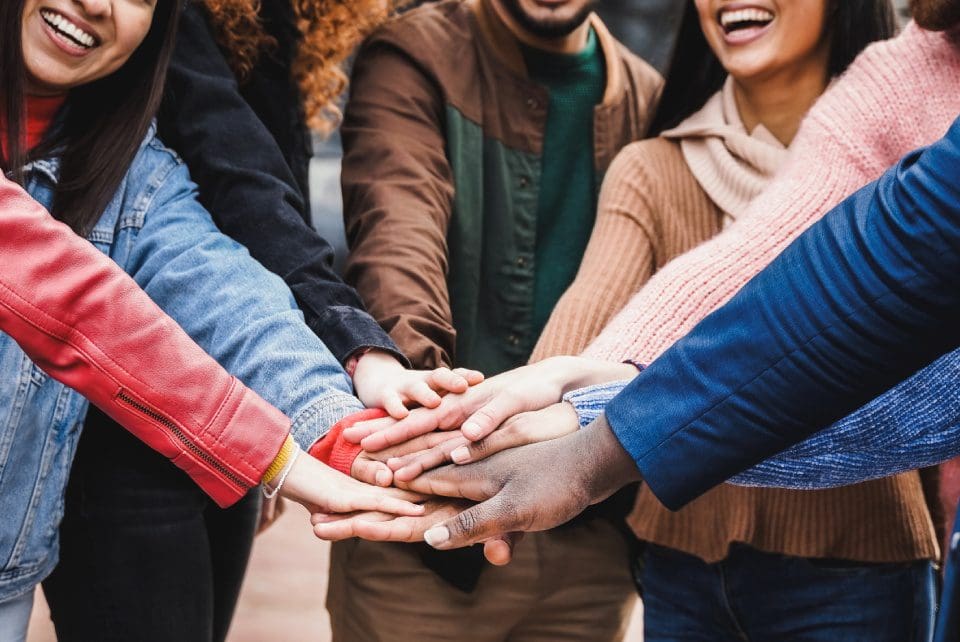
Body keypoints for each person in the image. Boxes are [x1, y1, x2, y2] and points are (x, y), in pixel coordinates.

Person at [40, 2, 483, 639]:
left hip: (243, 387)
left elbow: (228, 258)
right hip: (120, 432)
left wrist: (317, 420)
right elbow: (237, 178)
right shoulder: (168, 23)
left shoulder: (286, 23)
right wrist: (331, 385)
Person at [335, 0, 663, 638]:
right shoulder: (416, 53)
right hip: (424, 526)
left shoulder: (650, 101)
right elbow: (397, 227)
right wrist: (425, 406)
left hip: (591, 535)